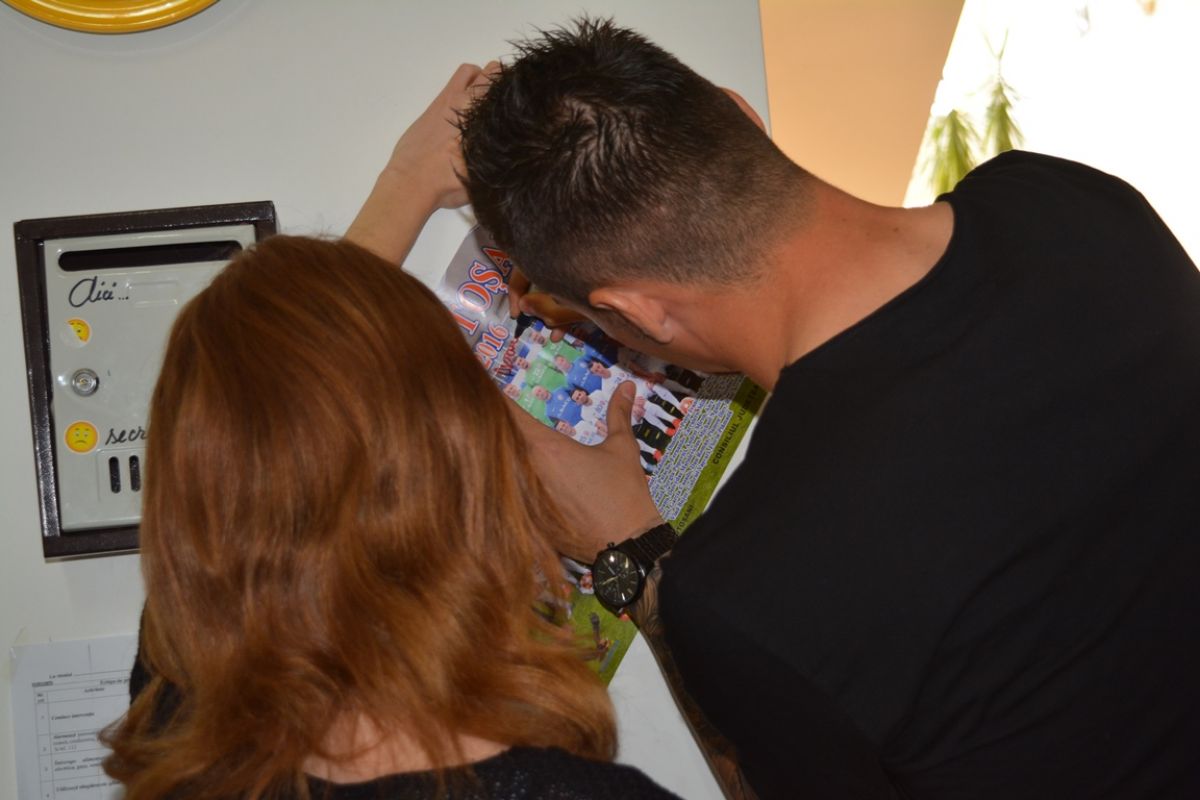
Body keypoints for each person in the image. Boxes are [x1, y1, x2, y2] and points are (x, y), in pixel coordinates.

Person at [458, 18, 1200, 800]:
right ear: (742, 114)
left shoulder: (745, 591)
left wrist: (633, 553)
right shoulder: (1067, 201)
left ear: (638, 311)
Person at [101, 64, 678, 800]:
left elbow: (272, 442)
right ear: (468, 467)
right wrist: (637, 545)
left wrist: (406, 187)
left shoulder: (178, 726)